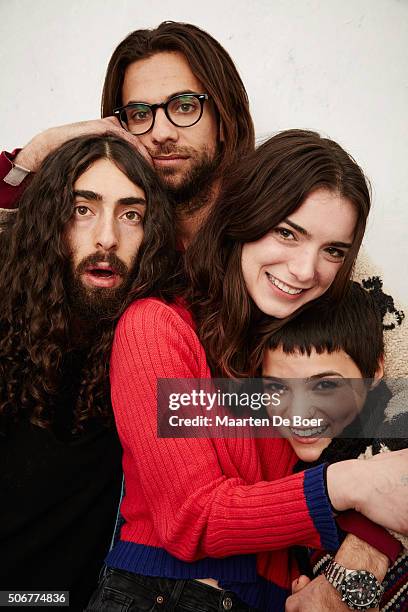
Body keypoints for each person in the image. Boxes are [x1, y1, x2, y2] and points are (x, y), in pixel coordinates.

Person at [2, 20, 406, 608]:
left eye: (184, 106)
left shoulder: (304, 268)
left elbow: (387, 413)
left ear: (227, 116)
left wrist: (359, 553)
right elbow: (195, 511)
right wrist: (32, 161)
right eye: (137, 113)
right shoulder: (128, 279)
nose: (161, 130)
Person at [85, 131, 408, 612]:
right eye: (287, 232)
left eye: (333, 251)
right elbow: (191, 518)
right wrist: (350, 486)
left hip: (280, 597)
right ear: (242, 217)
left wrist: (361, 550)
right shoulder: (160, 327)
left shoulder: (303, 342)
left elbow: (394, 448)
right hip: (162, 593)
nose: (304, 270)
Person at [0, 133, 177, 610]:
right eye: (83, 209)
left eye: (130, 214)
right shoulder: (7, 321)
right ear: (47, 221)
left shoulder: (153, 338)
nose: (106, 237)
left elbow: (245, 410)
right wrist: (28, 159)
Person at [260, 282, 407, 610]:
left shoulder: (396, 429)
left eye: (325, 385)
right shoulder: (295, 480)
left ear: (374, 370)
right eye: (277, 387)